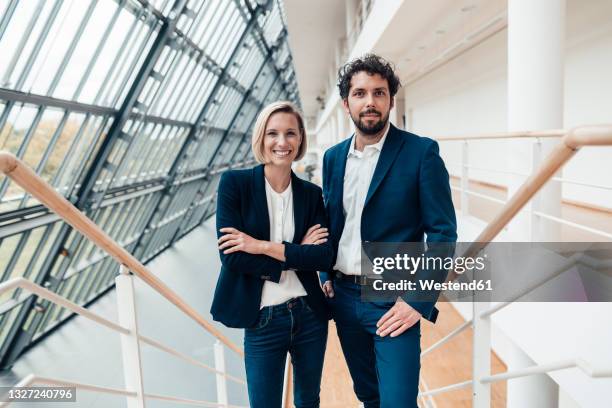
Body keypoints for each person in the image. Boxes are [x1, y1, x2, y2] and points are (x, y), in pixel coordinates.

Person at [320, 54, 457, 407]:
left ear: (391, 101)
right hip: (345, 299)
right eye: (360, 93)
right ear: (346, 103)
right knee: (369, 395)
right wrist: (324, 272)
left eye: (379, 93)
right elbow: (333, 223)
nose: (370, 102)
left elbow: (443, 233)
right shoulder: (333, 158)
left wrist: (417, 300)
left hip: (393, 300)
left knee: (398, 401)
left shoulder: (421, 153)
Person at [211, 101, 332, 408]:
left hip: (309, 315)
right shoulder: (235, 185)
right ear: (261, 138)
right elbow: (233, 256)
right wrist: (295, 253)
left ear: (301, 139)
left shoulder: (311, 194)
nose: (282, 142)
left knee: (309, 401)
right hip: (263, 318)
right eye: (273, 133)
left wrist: (261, 245)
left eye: (291, 133)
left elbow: (323, 256)